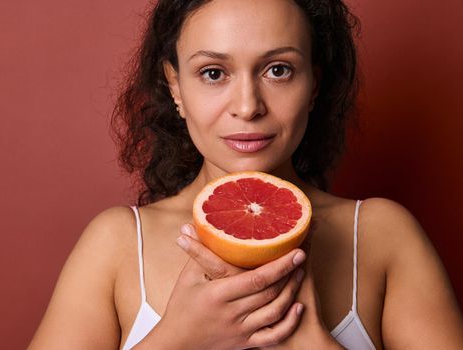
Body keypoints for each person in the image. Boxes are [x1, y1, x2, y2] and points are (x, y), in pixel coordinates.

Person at [27, 0, 463, 349]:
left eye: (278, 70)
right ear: (175, 87)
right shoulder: (118, 243)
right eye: (213, 73)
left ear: (314, 84)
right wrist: (179, 339)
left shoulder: (381, 235)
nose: (248, 105)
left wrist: (309, 341)